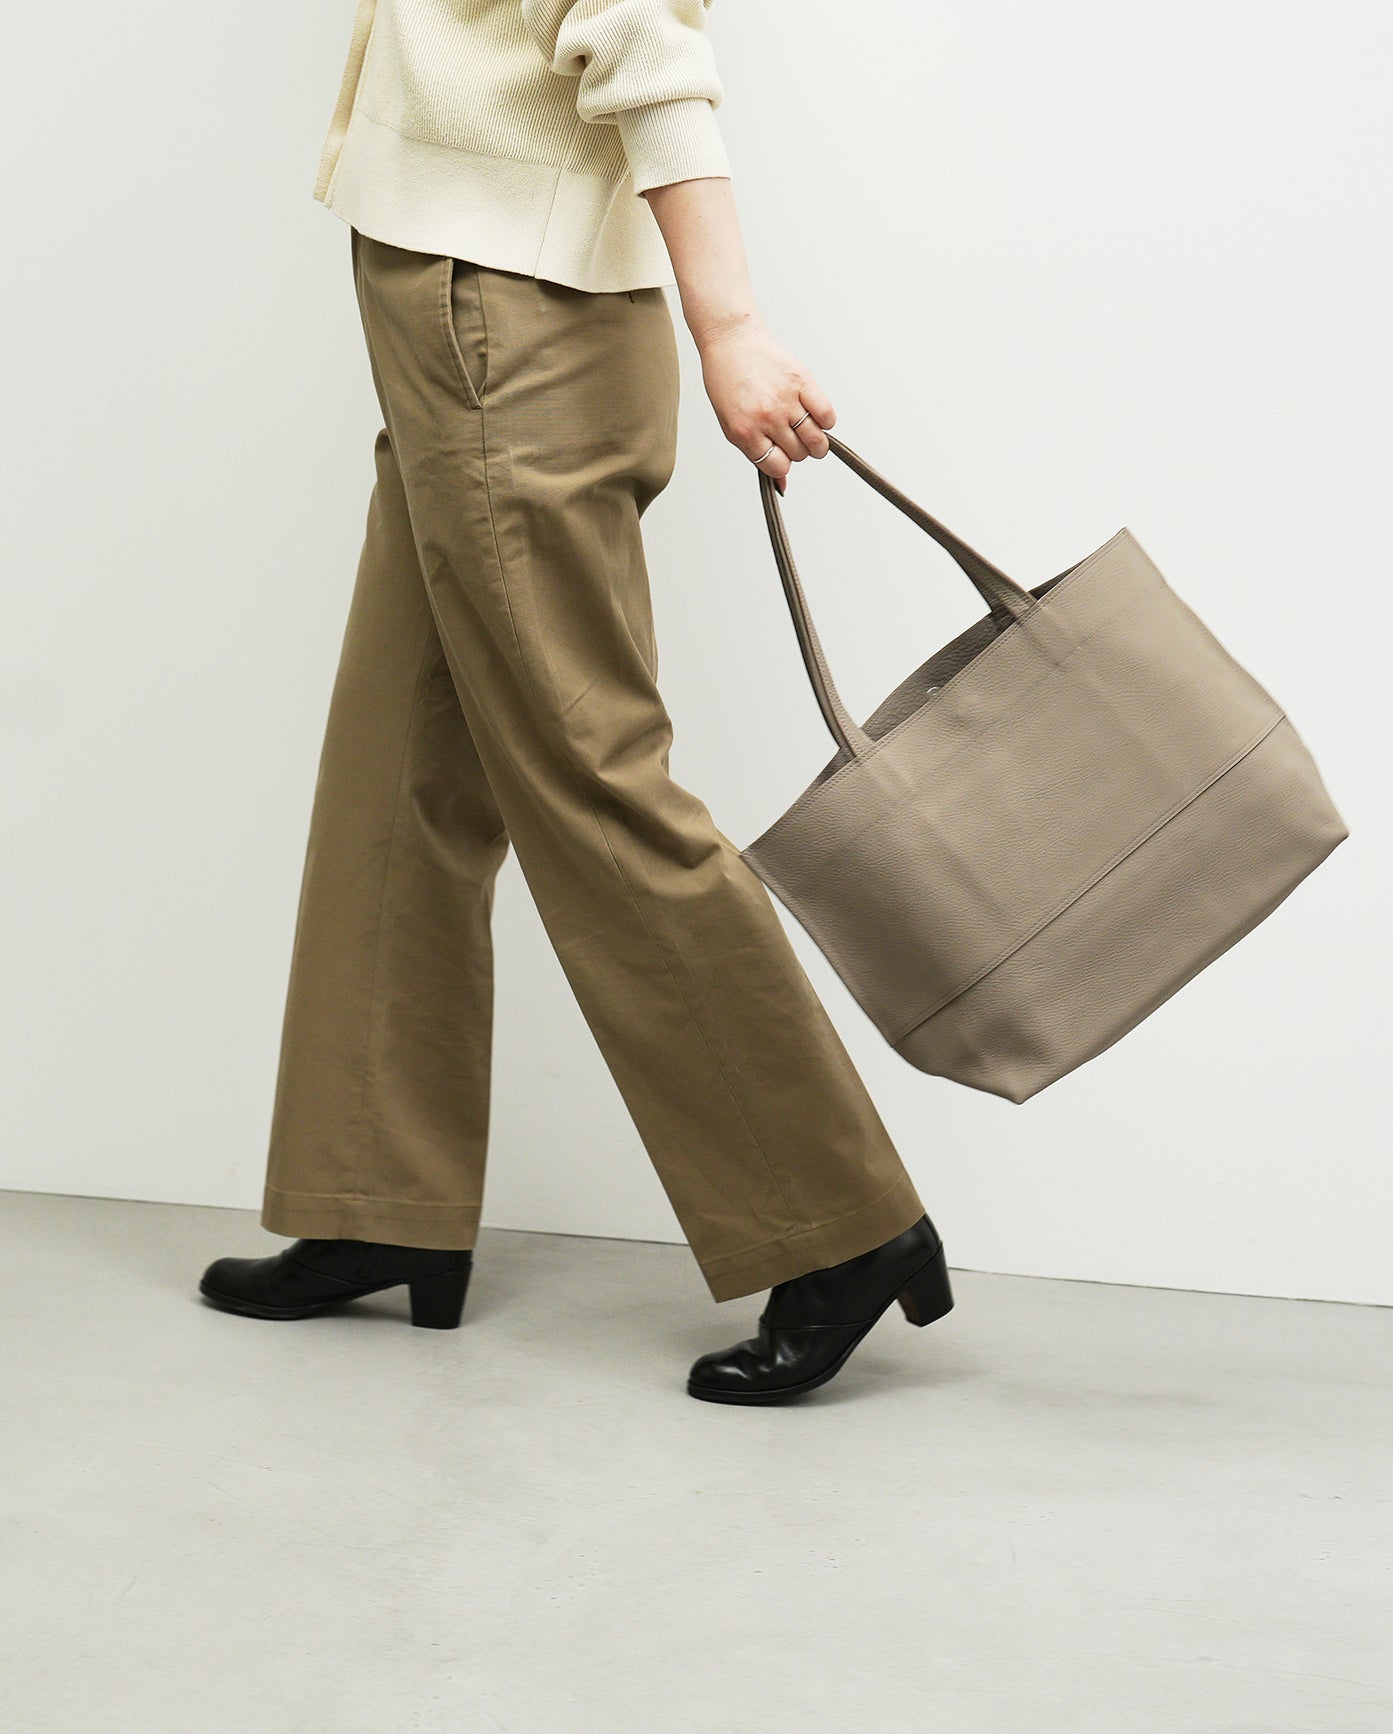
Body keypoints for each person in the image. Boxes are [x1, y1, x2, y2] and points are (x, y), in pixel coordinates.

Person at [198, 0, 954, 1403]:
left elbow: (647, 42)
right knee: (400, 760)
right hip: (444, 297)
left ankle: (843, 1225)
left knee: (592, 783)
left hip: (509, 319)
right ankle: (377, 1192)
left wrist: (731, 325)